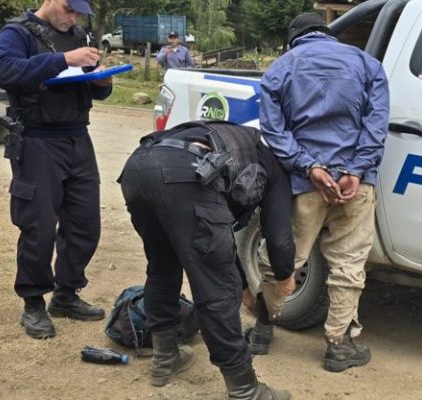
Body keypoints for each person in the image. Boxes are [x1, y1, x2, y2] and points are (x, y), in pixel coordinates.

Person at [119, 119, 295, 399]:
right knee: (216, 289)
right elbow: (279, 238)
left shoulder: (240, 138)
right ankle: (245, 389)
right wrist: (285, 275)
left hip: (137, 168)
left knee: (162, 266)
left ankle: (165, 359)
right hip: (186, 175)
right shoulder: (274, 164)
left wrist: (244, 288)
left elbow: (221, 239)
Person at [255, 11, 390, 372]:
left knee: (283, 260)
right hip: (355, 187)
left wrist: (309, 167)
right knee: (348, 263)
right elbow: (377, 125)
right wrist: (356, 170)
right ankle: (338, 346)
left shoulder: (282, 67)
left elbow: (273, 129)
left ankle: (263, 328)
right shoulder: (368, 64)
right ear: (327, 34)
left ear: (294, 38)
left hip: (304, 186)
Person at [0, 0, 112, 339]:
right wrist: (62, 59)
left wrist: (102, 82)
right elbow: (7, 72)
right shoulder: (19, 33)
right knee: (39, 226)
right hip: (37, 141)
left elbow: (87, 88)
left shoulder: (77, 38)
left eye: (79, 12)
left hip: (77, 137)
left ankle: (66, 293)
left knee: (85, 223)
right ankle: (32, 302)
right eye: (68, 9)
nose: (73, 18)